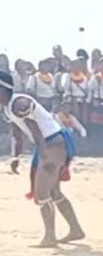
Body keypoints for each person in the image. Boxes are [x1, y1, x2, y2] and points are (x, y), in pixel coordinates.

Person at [1, 71, 85, 246]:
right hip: (49, 144)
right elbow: (17, 131)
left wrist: (43, 151)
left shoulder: (19, 103)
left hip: (52, 143)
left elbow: (34, 127)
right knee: (53, 192)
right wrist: (16, 156)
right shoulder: (8, 107)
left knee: (42, 193)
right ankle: (75, 230)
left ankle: (50, 237)